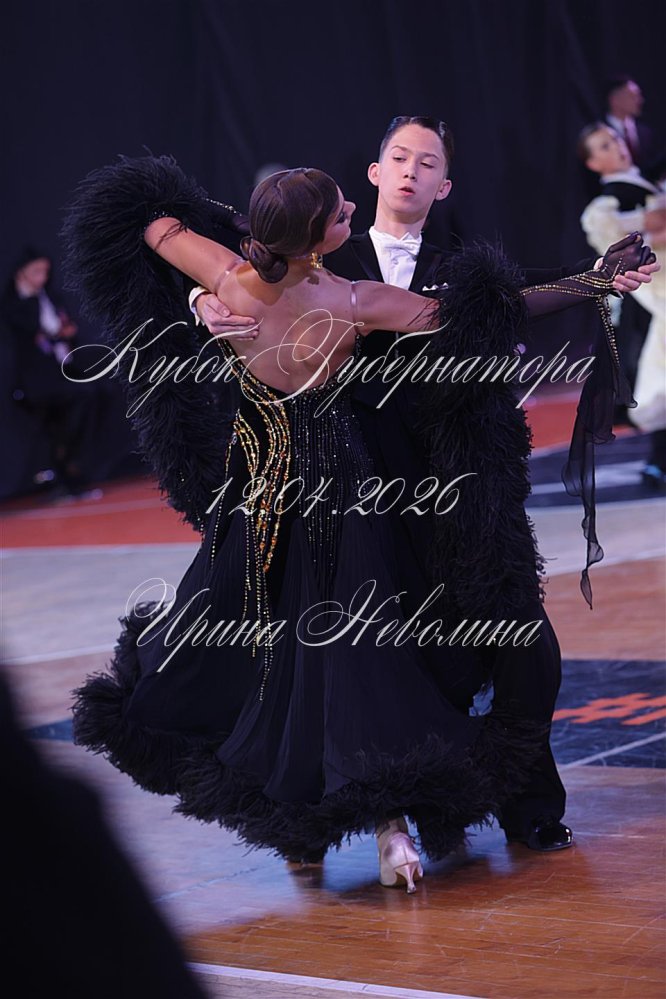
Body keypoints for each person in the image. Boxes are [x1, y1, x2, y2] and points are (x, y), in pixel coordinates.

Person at [63, 155, 655, 893]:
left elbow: (152, 223)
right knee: (360, 660)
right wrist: (593, 282)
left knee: (277, 656)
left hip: (260, 499)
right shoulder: (352, 299)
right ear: (318, 239)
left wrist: (207, 279)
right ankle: (385, 824)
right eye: (341, 214)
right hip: (344, 498)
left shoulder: (225, 277)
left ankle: (309, 826)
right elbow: (489, 313)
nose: (352, 214)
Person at [579, 122, 666, 487]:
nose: (615, 147)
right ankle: (658, 461)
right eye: (603, 146)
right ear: (592, 163)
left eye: (613, 139)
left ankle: (659, 460)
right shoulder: (607, 204)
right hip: (648, 297)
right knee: (656, 374)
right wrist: (653, 225)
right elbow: (627, 246)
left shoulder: (644, 185)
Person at [1, 247, 102, 498]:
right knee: (60, 421)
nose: (42, 277)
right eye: (36, 271)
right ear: (21, 273)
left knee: (80, 408)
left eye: (45, 271)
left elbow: (64, 328)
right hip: (35, 382)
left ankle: (67, 475)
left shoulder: (50, 297)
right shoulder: (16, 303)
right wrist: (55, 333)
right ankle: (60, 474)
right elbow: (32, 331)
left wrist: (65, 333)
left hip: (62, 370)